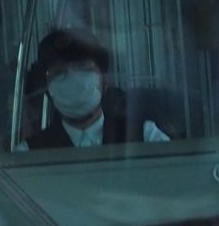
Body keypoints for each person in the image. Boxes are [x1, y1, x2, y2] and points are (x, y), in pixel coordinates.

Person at [18, 28, 172, 150]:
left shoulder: (145, 136)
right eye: (59, 72)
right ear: (47, 88)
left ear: (104, 80)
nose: (73, 79)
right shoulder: (30, 152)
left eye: (82, 67)